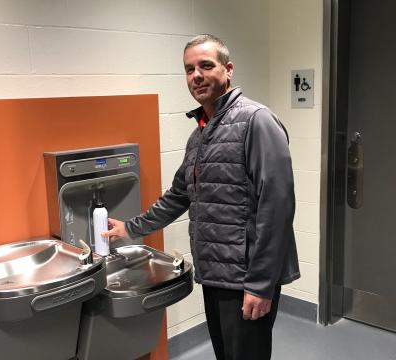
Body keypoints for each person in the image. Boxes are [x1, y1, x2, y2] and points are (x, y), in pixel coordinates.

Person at [102, 34, 300, 360]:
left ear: (228, 69)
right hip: (215, 275)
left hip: (246, 278)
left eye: (206, 66)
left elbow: (276, 208)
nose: (197, 75)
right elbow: (179, 195)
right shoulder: (201, 134)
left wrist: (261, 285)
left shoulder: (256, 121)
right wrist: (130, 228)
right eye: (189, 69)